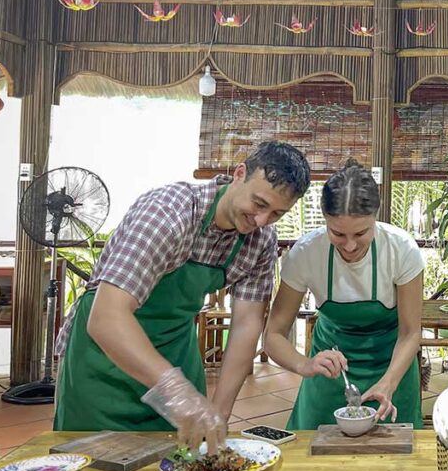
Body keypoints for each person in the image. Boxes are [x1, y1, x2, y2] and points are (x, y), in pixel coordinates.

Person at [54, 141, 311, 453]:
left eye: (276, 214)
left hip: (174, 350)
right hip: (104, 359)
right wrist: (175, 390)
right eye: (259, 204)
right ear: (239, 174)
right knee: (93, 467)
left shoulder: (261, 242)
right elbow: (107, 317)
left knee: (177, 467)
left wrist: (220, 410)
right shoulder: (168, 212)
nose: (261, 221)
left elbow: (246, 324)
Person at [264, 159, 424, 429]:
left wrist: (388, 383)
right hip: (329, 374)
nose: (349, 246)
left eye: (361, 233)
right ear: (325, 220)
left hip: (392, 366)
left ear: (376, 216)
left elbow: (410, 333)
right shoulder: (305, 254)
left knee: (395, 465)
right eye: (337, 233)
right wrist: (306, 366)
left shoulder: (401, 250)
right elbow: (273, 335)